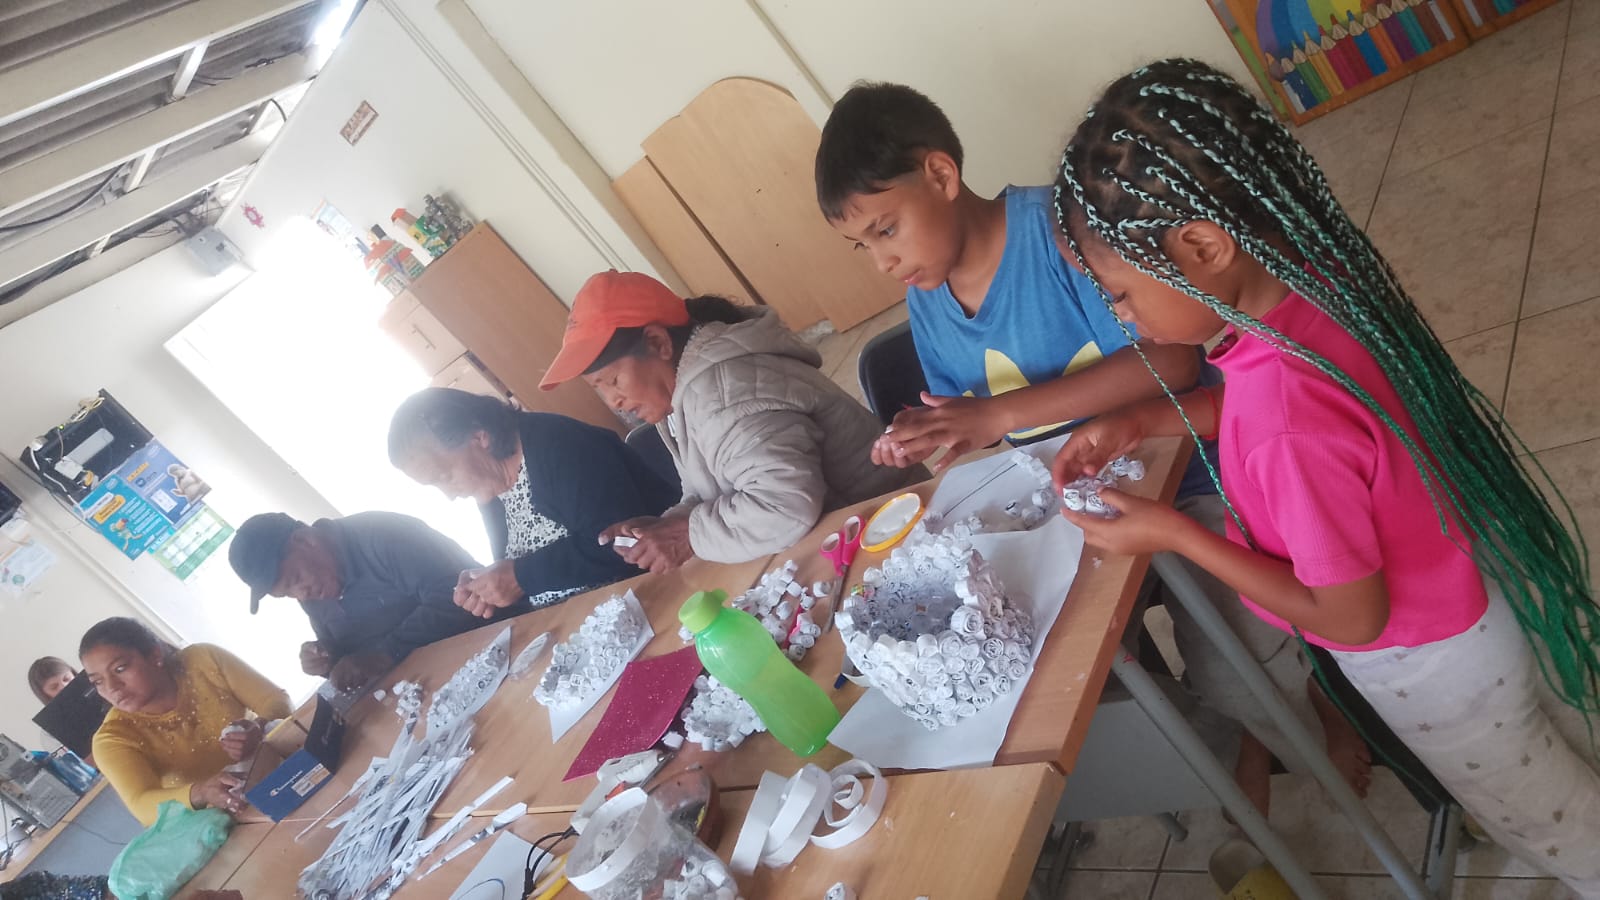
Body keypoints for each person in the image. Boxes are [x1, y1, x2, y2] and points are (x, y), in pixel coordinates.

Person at [1052, 58, 1600, 893]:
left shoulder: (1287, 425)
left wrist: (1175, 534)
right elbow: (1270, 415)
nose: (1119, 318)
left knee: (1559, 828)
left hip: (1433, 667)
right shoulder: (1303, 287)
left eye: (1120, 293)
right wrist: (1141, 419)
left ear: (1202, 246)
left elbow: (1349, 614)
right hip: (1473, 591)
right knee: (1556, 766)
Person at [814, 80, 1366, 813]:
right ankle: (1240, 738)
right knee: (1062, 670)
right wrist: (937, 432)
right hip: (1072, 511)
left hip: (1185, 478)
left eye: (886, 229)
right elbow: (977, 428)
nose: (882, 261)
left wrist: (999, 412)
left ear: (941, 175)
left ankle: (1315, 708)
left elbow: (1171, 363)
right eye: (863, 245)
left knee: (1233, 652)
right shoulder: (928, 301)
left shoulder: (1061, 232)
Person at [539, 271, 923, 569]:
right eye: (600, 390)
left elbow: (785, 507)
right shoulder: (682, 395)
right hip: (848, 539)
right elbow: (715, 485)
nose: (615, 401)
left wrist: (688, 535)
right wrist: (669, 525)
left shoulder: (723, 394)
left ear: (658, 344)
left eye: (613, 381)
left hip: (899, 532)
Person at [387, 388, 678, 615]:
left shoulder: (559, 445)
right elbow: (526, 572)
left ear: (479, 437)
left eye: (445, 476)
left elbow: (622, 545)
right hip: (581, 619)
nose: (450, 495)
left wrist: (520, 577)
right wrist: (489, 589)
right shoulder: (491, 487)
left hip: (657, 595)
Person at [229, 510, 521, 690]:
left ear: (306, 540)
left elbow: (456, 596)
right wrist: (325, 659)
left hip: (501, 651)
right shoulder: (313, 592)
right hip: (430, 687)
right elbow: (346, 653)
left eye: (295, 580)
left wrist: (384, 653)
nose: (301, 595)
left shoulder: (382, 535)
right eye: (287, 594)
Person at [80, 617, 290, 826]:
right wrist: (201, 792)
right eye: (98, 681)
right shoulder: (113, 737)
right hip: (226, 821)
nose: (111, 687)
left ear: (155, 655)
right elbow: (141, 804)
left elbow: (275, 699)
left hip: (283, 773)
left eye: (119, 669)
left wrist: (261, 726)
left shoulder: (203, 661)